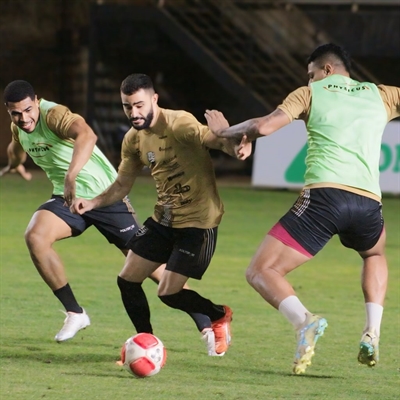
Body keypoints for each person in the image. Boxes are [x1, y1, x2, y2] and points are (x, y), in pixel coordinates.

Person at [205, 43, 400, 373]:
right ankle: (372, 331)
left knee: (260, 271)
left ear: (326, 71)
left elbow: (265, 126)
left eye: (311, 75)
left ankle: (304, 321)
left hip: (325, 197)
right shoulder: (383, 94)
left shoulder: (310, 94)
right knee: (375, 254)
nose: (308, 81)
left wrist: (225, 131)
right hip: (369, 202)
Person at [2, 80, 212, 346]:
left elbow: (87, 135)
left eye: (28, 110)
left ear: (37, 101)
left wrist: (71, 174)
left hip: (105, 197)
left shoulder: (53, 115)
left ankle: (206, 321)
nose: (24, 118)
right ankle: (75, 313)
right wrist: (13, 165)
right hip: (69, 200)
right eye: (15, 113)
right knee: (35, 236)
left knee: (148, 267)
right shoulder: (19, 127)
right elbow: (17, 148)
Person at [71, 73, 251, 356]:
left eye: (140, 105)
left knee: (168, 293)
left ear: (154, 99)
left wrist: (233, 141)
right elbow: (121, 185)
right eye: (127, 106)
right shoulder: (133, 140)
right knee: (127, 280)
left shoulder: (180, 123)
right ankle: (146, 345)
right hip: (164, 220)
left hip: (198, 224)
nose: (134, 112)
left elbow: (217, 143)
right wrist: (92, 203)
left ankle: (218, 314)